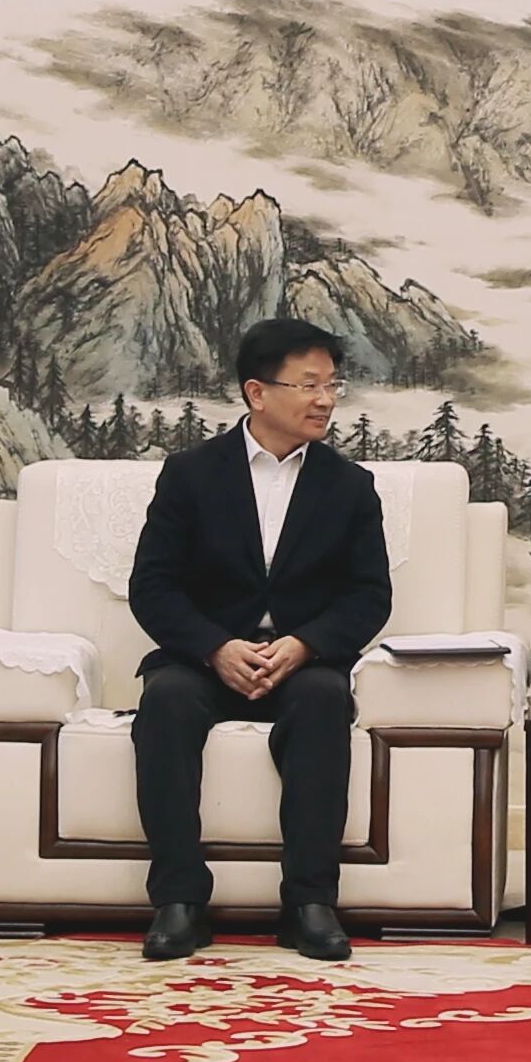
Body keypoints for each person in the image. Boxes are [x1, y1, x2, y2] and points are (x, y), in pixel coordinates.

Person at [123, 316, 396, 962]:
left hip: (302, 662)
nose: (325, 400)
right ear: (257, 392)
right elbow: (152, 586)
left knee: (324, 700)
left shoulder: (349, 486)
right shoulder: (190, 474)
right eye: (309, 384)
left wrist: (305, 645)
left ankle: (309, 903)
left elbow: (369, 595)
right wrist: (216, 647)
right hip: (205, 657)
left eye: (333, 385)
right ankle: (179, 901)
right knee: (164, 702)